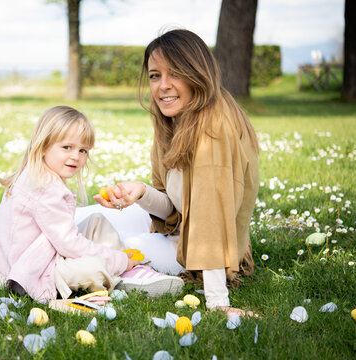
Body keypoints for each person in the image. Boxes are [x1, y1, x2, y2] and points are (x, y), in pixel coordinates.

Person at [90, 29, 260, 318]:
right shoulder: (175, 119)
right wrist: (142, 193)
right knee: (90, 217)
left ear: (197, 74)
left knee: (114, 246)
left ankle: (34, 260)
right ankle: (11, 250)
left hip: (201, 253)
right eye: (155, 76)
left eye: (175, 74)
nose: (163, 86)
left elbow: (211, 215)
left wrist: (218, 301)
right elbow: (173, 206)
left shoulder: (214, 126)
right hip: (181, 232)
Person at [0, 105, 184, 302]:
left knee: (96, 221)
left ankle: (128, 270)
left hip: (31, 257)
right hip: (30, 273)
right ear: (43, 146)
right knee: (90, 269)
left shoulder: (36, 177)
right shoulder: (45, 188)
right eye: (67, 147)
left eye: (83, 150)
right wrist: (119, 260)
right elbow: (69, 245)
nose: (75, 157)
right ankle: (122, 269)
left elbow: (9, 233)